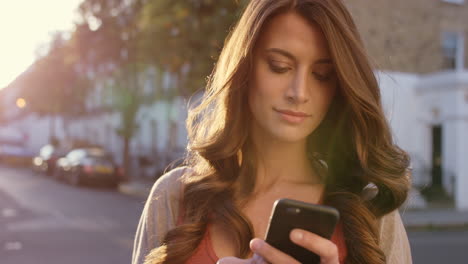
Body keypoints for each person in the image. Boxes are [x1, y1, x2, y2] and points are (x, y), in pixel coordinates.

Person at [132, 0, 413, 263]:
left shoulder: (371, 214)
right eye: (280, 67)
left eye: (322, 75)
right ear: (245, 67)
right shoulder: (173, 196)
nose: (299, 93)